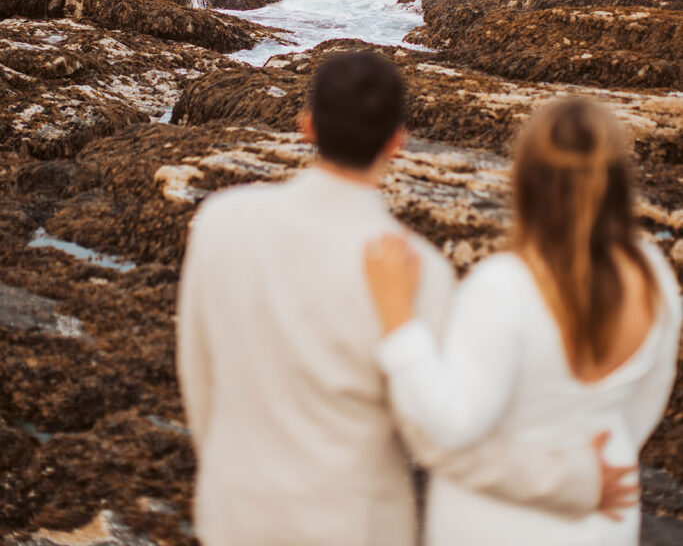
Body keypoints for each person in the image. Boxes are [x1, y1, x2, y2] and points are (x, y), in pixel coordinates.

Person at [178, 55, 634, 546]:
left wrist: (221, 474)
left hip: (232, 511)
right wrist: (571, 484)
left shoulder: (222, 220)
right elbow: (438, 441)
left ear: (306, 125)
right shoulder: (420, 270)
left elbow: (198, 371)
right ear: (397, 141)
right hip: (352, 527)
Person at [365, 96, 681, 546]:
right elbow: (648, 396)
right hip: (604, 514)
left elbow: (447, 425)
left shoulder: (505, 286)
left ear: (525, 180)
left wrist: (397, 320)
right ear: (617, 180)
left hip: (498, 525)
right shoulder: (653, 274)